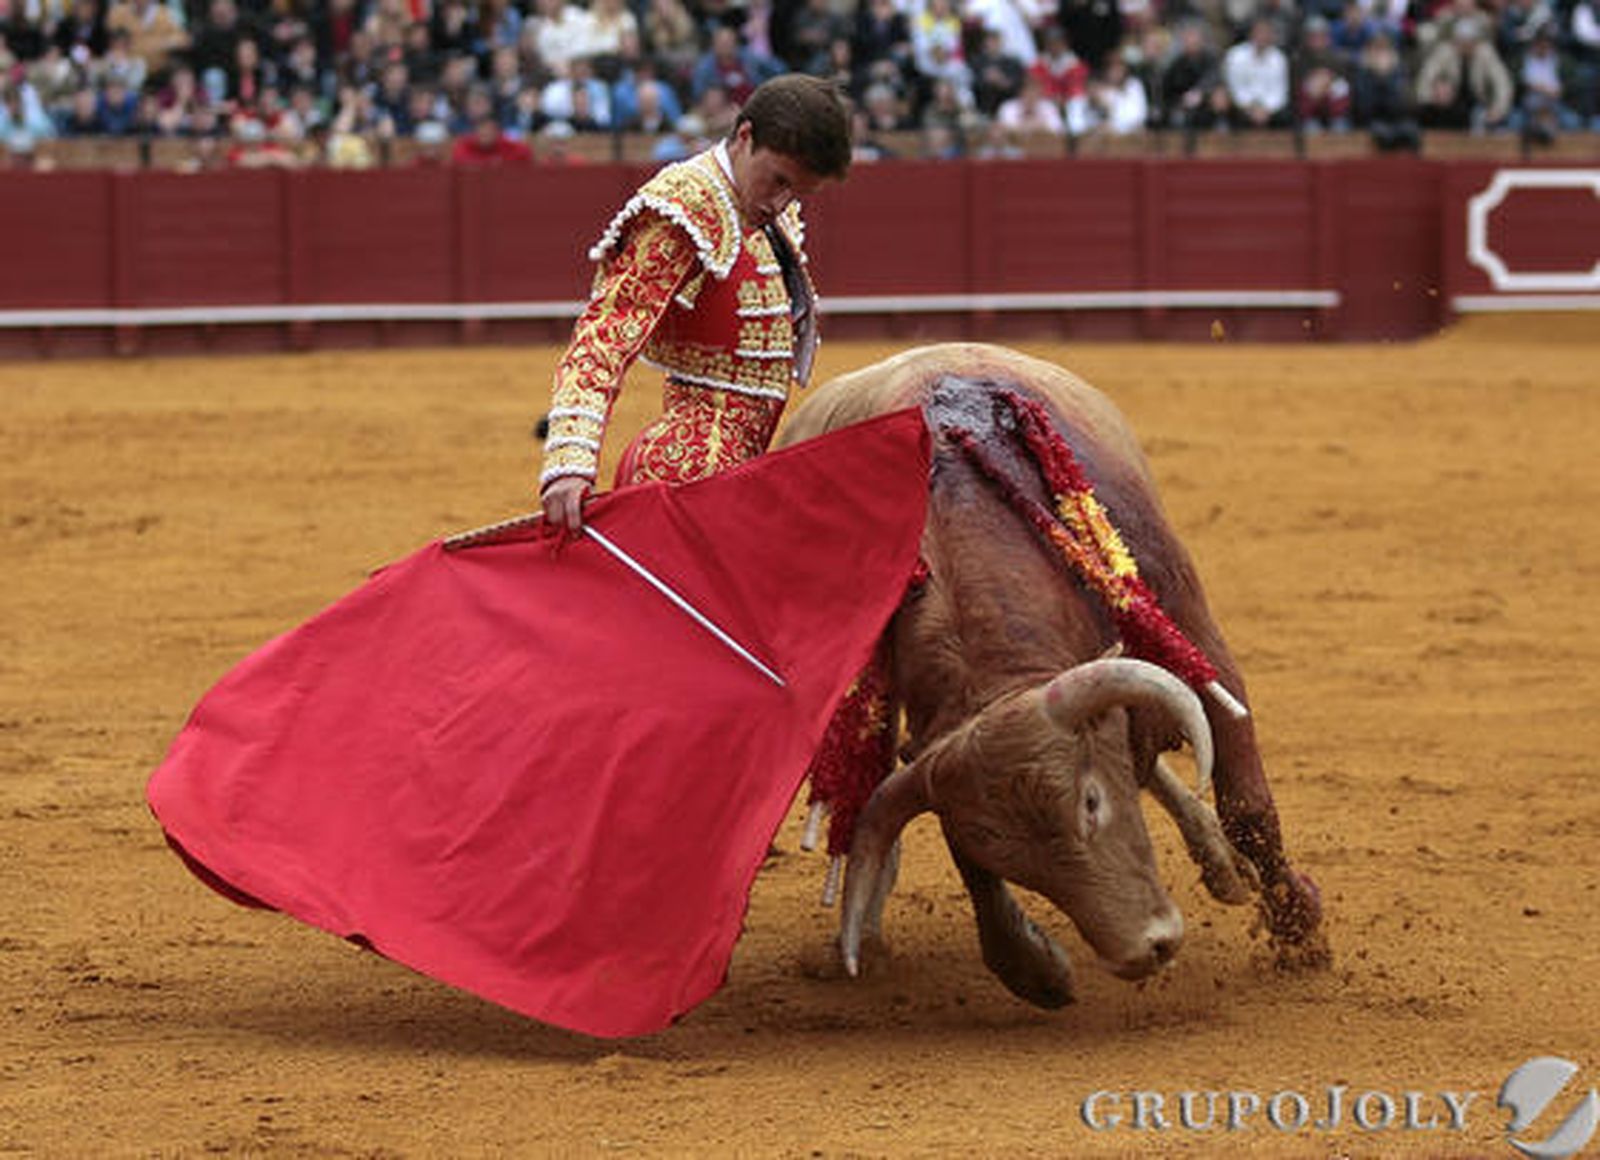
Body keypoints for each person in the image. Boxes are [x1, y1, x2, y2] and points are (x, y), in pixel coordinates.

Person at [538, 73, 852, 532]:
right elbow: (606, 331)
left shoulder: (754, 208)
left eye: (798, 193)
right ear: (745, 137)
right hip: (686, 471)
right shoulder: (686, 208)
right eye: (778, 180)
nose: (781, 203)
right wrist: (570, 458)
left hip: (740, 463)